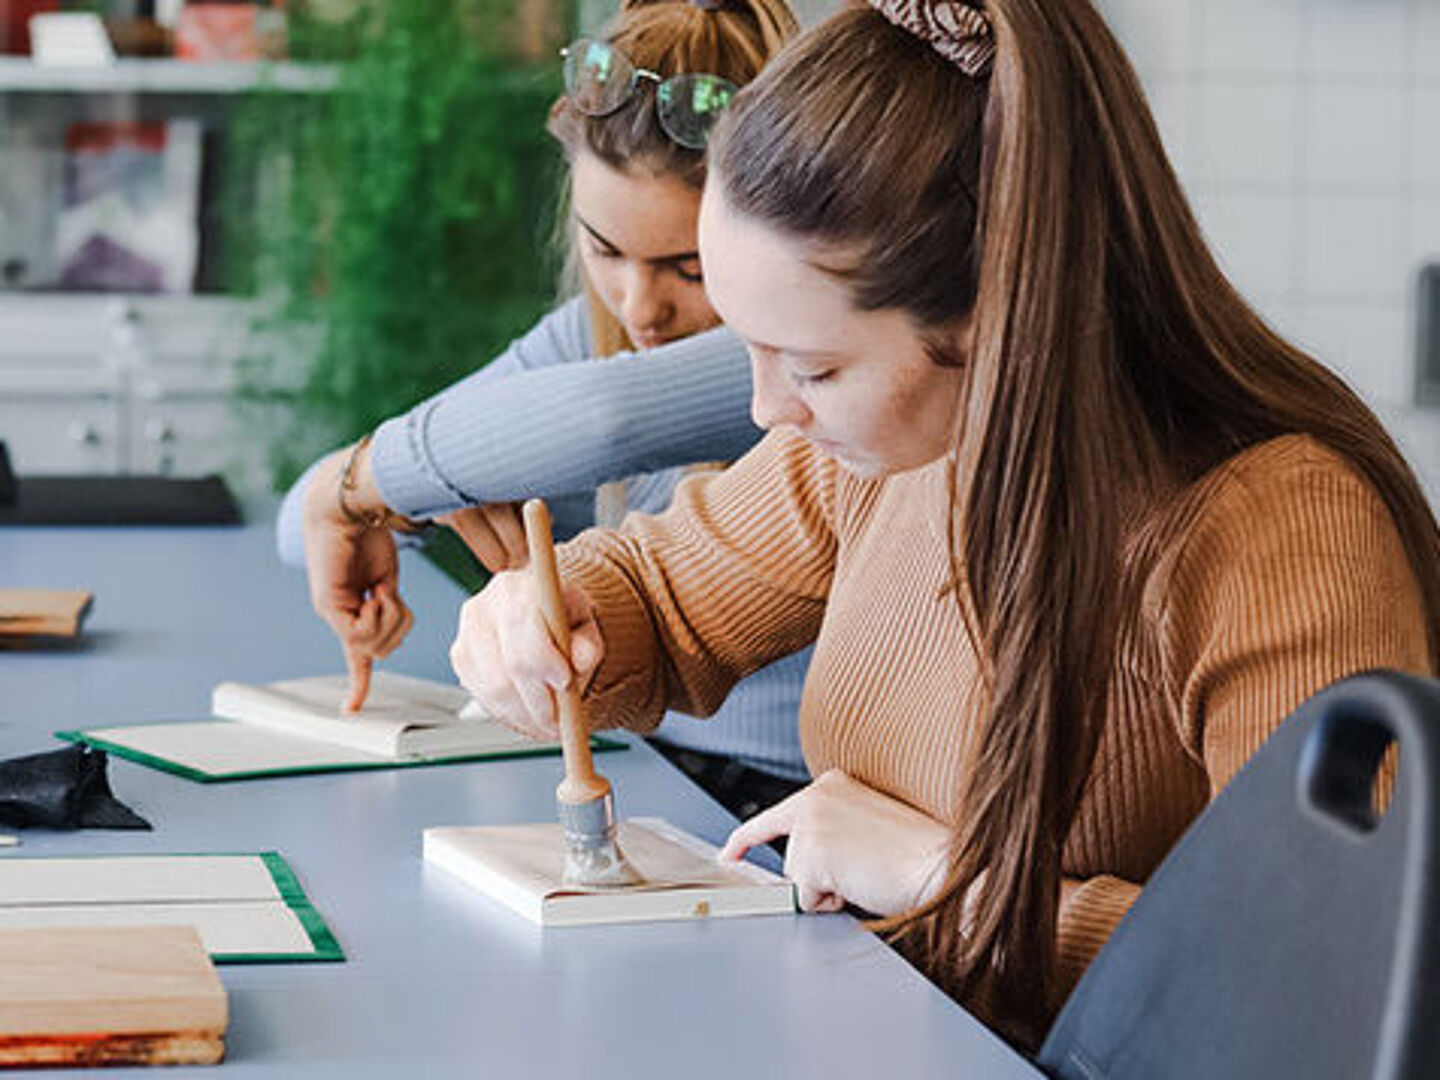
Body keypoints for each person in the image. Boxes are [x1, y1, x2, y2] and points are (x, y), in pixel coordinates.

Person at [448, 0, 1440, 1049]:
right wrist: (547, 615)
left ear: (995, 318)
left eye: (815, 367)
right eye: (748, 347)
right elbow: (658, 596)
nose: (764, 411)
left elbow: (1323, 990)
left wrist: (941, 879)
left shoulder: (1276, 531)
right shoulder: (893, 449)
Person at [280, 0, 811, 816]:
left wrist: (358, 490)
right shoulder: (590, 333)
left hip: (793, 805)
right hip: (646, 774)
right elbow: (294, 524)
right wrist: (378, 491)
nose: (641, 307)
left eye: (689, 268)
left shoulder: (817, 350)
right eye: (605, 251)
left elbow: (609, 418)